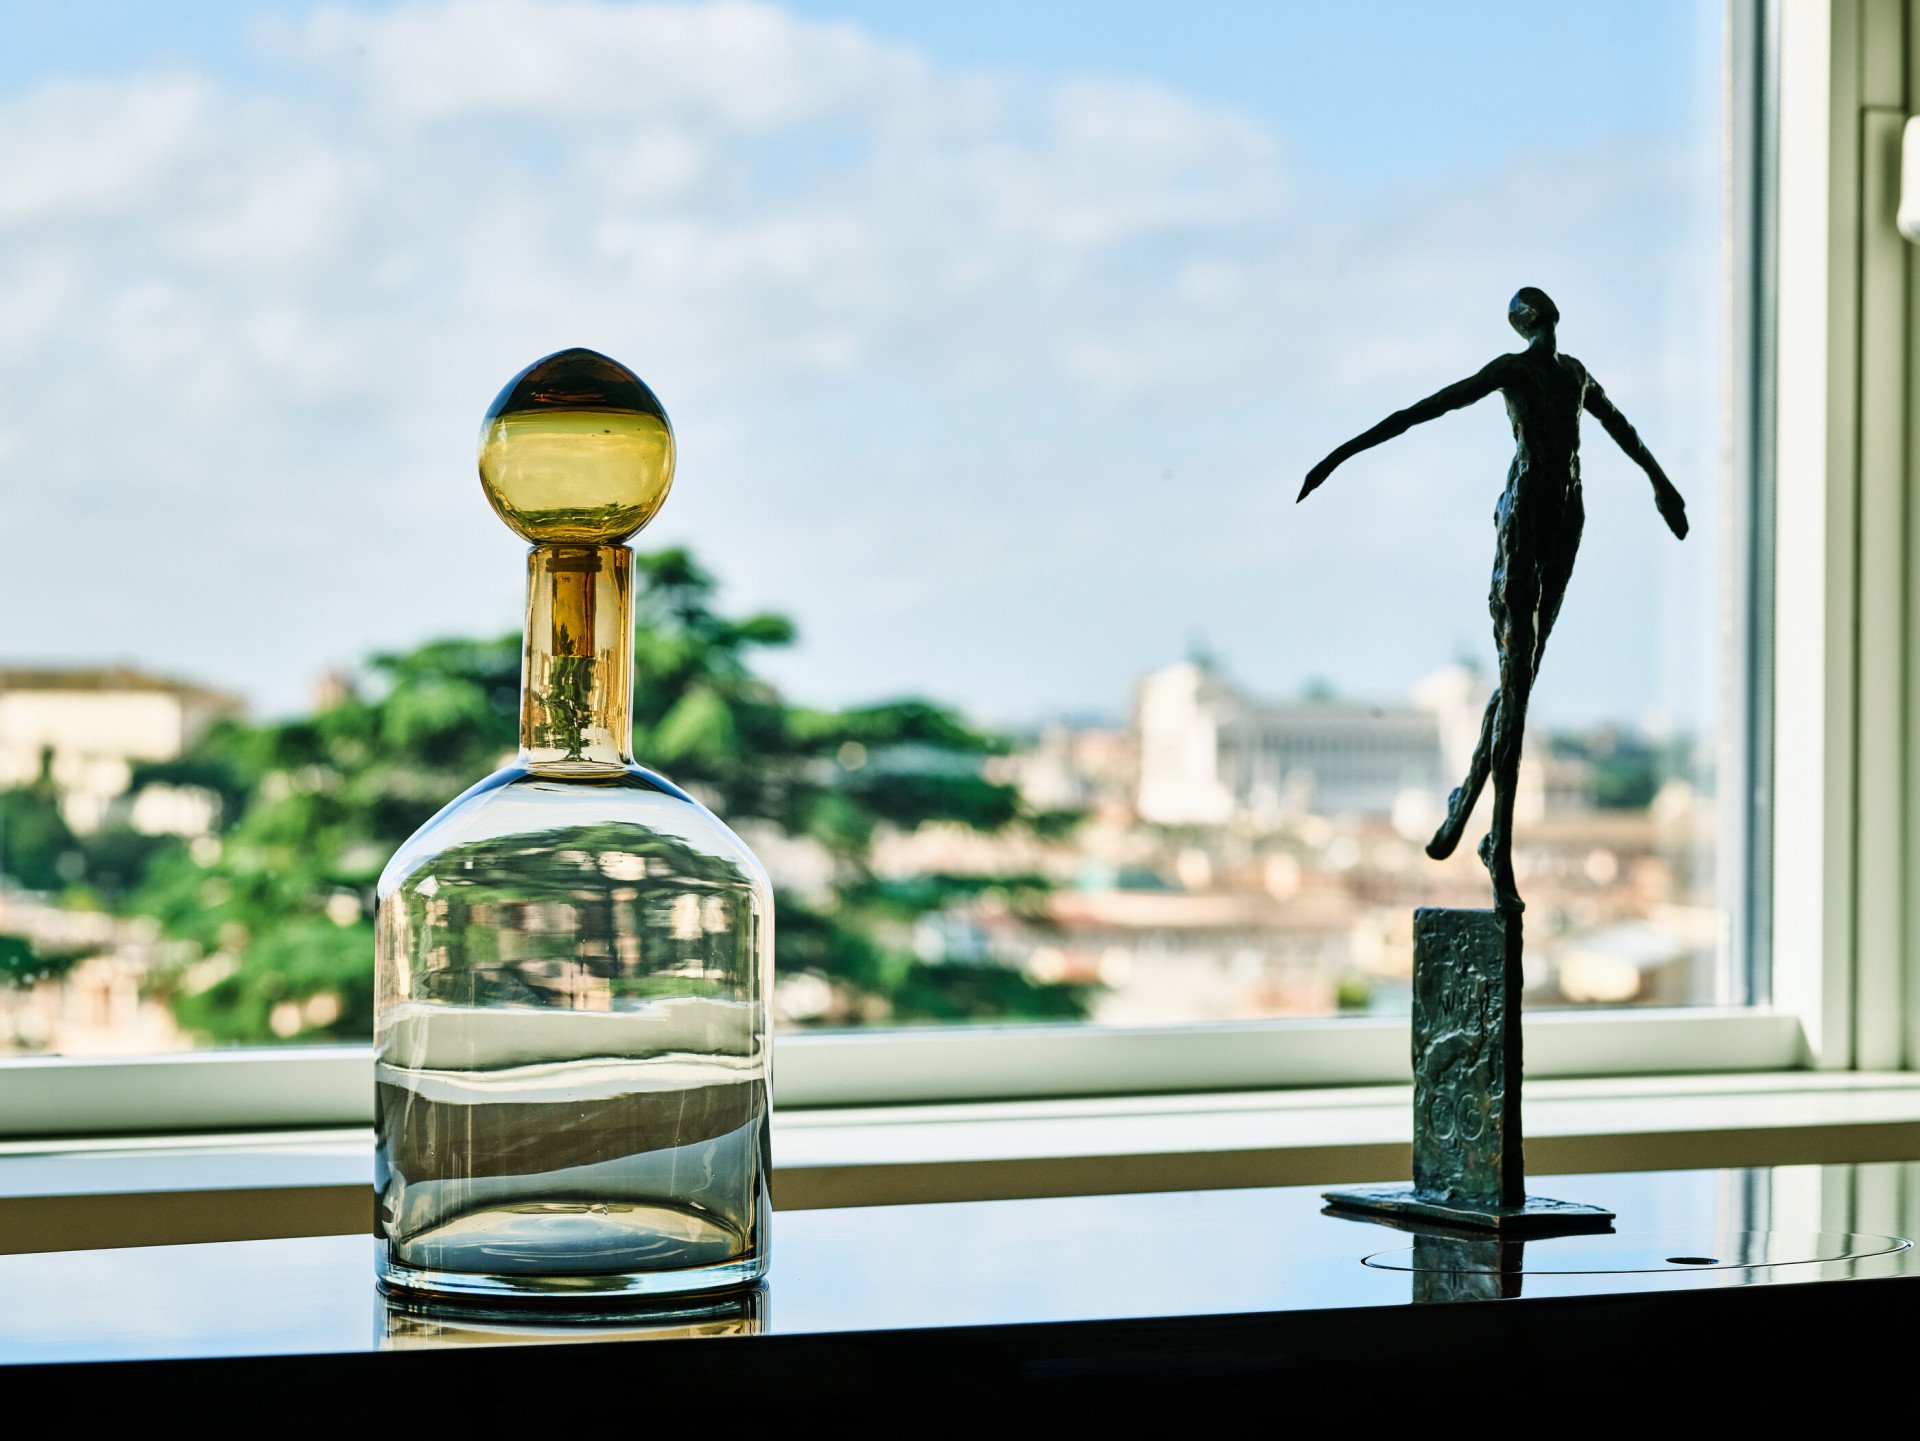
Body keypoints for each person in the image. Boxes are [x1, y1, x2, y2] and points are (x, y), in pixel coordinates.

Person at [1298, 287, 1688, 911]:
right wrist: (1339, 455)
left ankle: (1464, 812)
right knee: (1517, 676)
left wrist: (1663, 487)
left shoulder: (1576, 373)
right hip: (1526, 513)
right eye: (1532, 310)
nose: (1542, 314)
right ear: (1528, 323)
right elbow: (1429, 409)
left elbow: (1622, 429)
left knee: (1521, 677)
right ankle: (1496, 844)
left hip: (1568, 514)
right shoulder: (1514, 371)